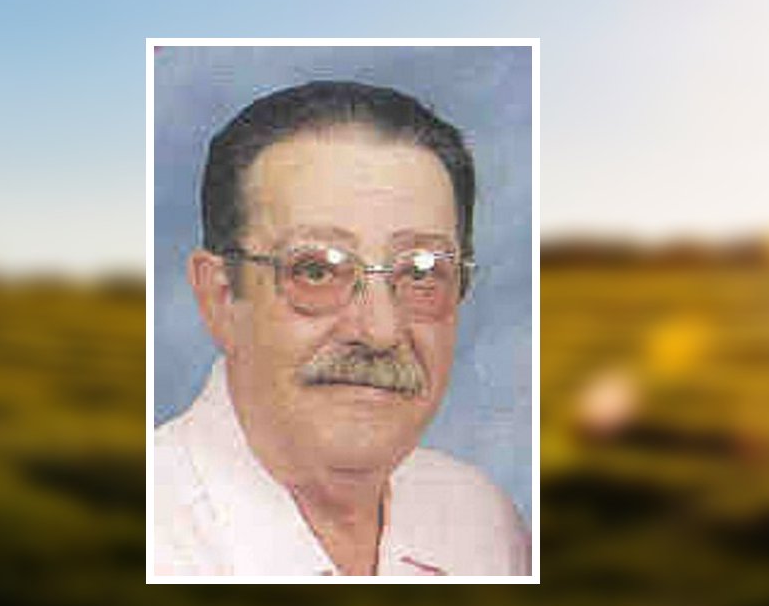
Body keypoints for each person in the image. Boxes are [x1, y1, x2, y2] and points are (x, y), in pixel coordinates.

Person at [153, 80, 530, 576]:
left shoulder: (482, 525)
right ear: (222, 298)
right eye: (316, 271)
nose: (380, 331)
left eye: (420, 272)